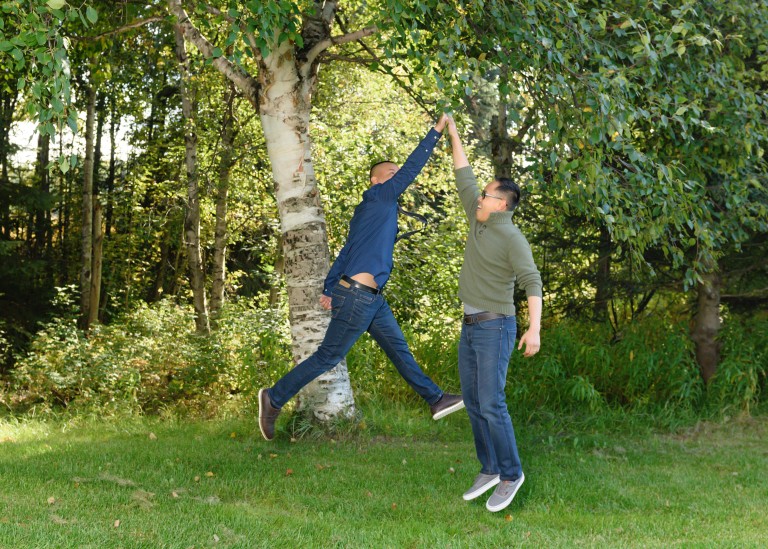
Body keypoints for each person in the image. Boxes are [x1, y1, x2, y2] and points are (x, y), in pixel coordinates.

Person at [258, 114, 464, 441]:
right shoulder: (381, 197)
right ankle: (274, 397)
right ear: (376, 181)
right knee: (328, 356)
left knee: (400, 351)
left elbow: (347, 251)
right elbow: (412, 168)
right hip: (358, 298)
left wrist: (329, 287)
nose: (399, 178)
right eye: (391, 174)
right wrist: (436, 131)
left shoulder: (372, 211)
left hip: (368, 298)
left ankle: (436, 400)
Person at [446, 116, 543, 512]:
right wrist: (453, 132)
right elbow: (463, 174)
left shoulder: (511, 237)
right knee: (473, 400)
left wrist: (534, 329)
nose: (479, 196)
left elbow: (532, 281)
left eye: (486, 195)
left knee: (492, 402)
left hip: (497, 326)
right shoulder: (478, 214)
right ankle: (488, 467)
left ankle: (510, 473)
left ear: (500, 204)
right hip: (470, 325)